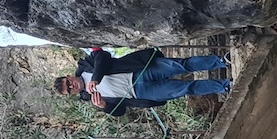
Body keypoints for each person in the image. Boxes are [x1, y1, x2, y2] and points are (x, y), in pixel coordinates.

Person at [53, 48, 230, 116]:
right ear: (72, 94)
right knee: (186, 88)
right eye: (69, 90)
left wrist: (96, 78)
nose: (72, 86)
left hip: (139, 70)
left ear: (69, 77)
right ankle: (224, 85)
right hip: (141, 93)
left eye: (68, 83)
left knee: (181, 65)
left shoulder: (86, 67)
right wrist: (105, 106)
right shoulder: (91, 99)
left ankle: (221, 61)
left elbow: (102, 55)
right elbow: (121, 111)